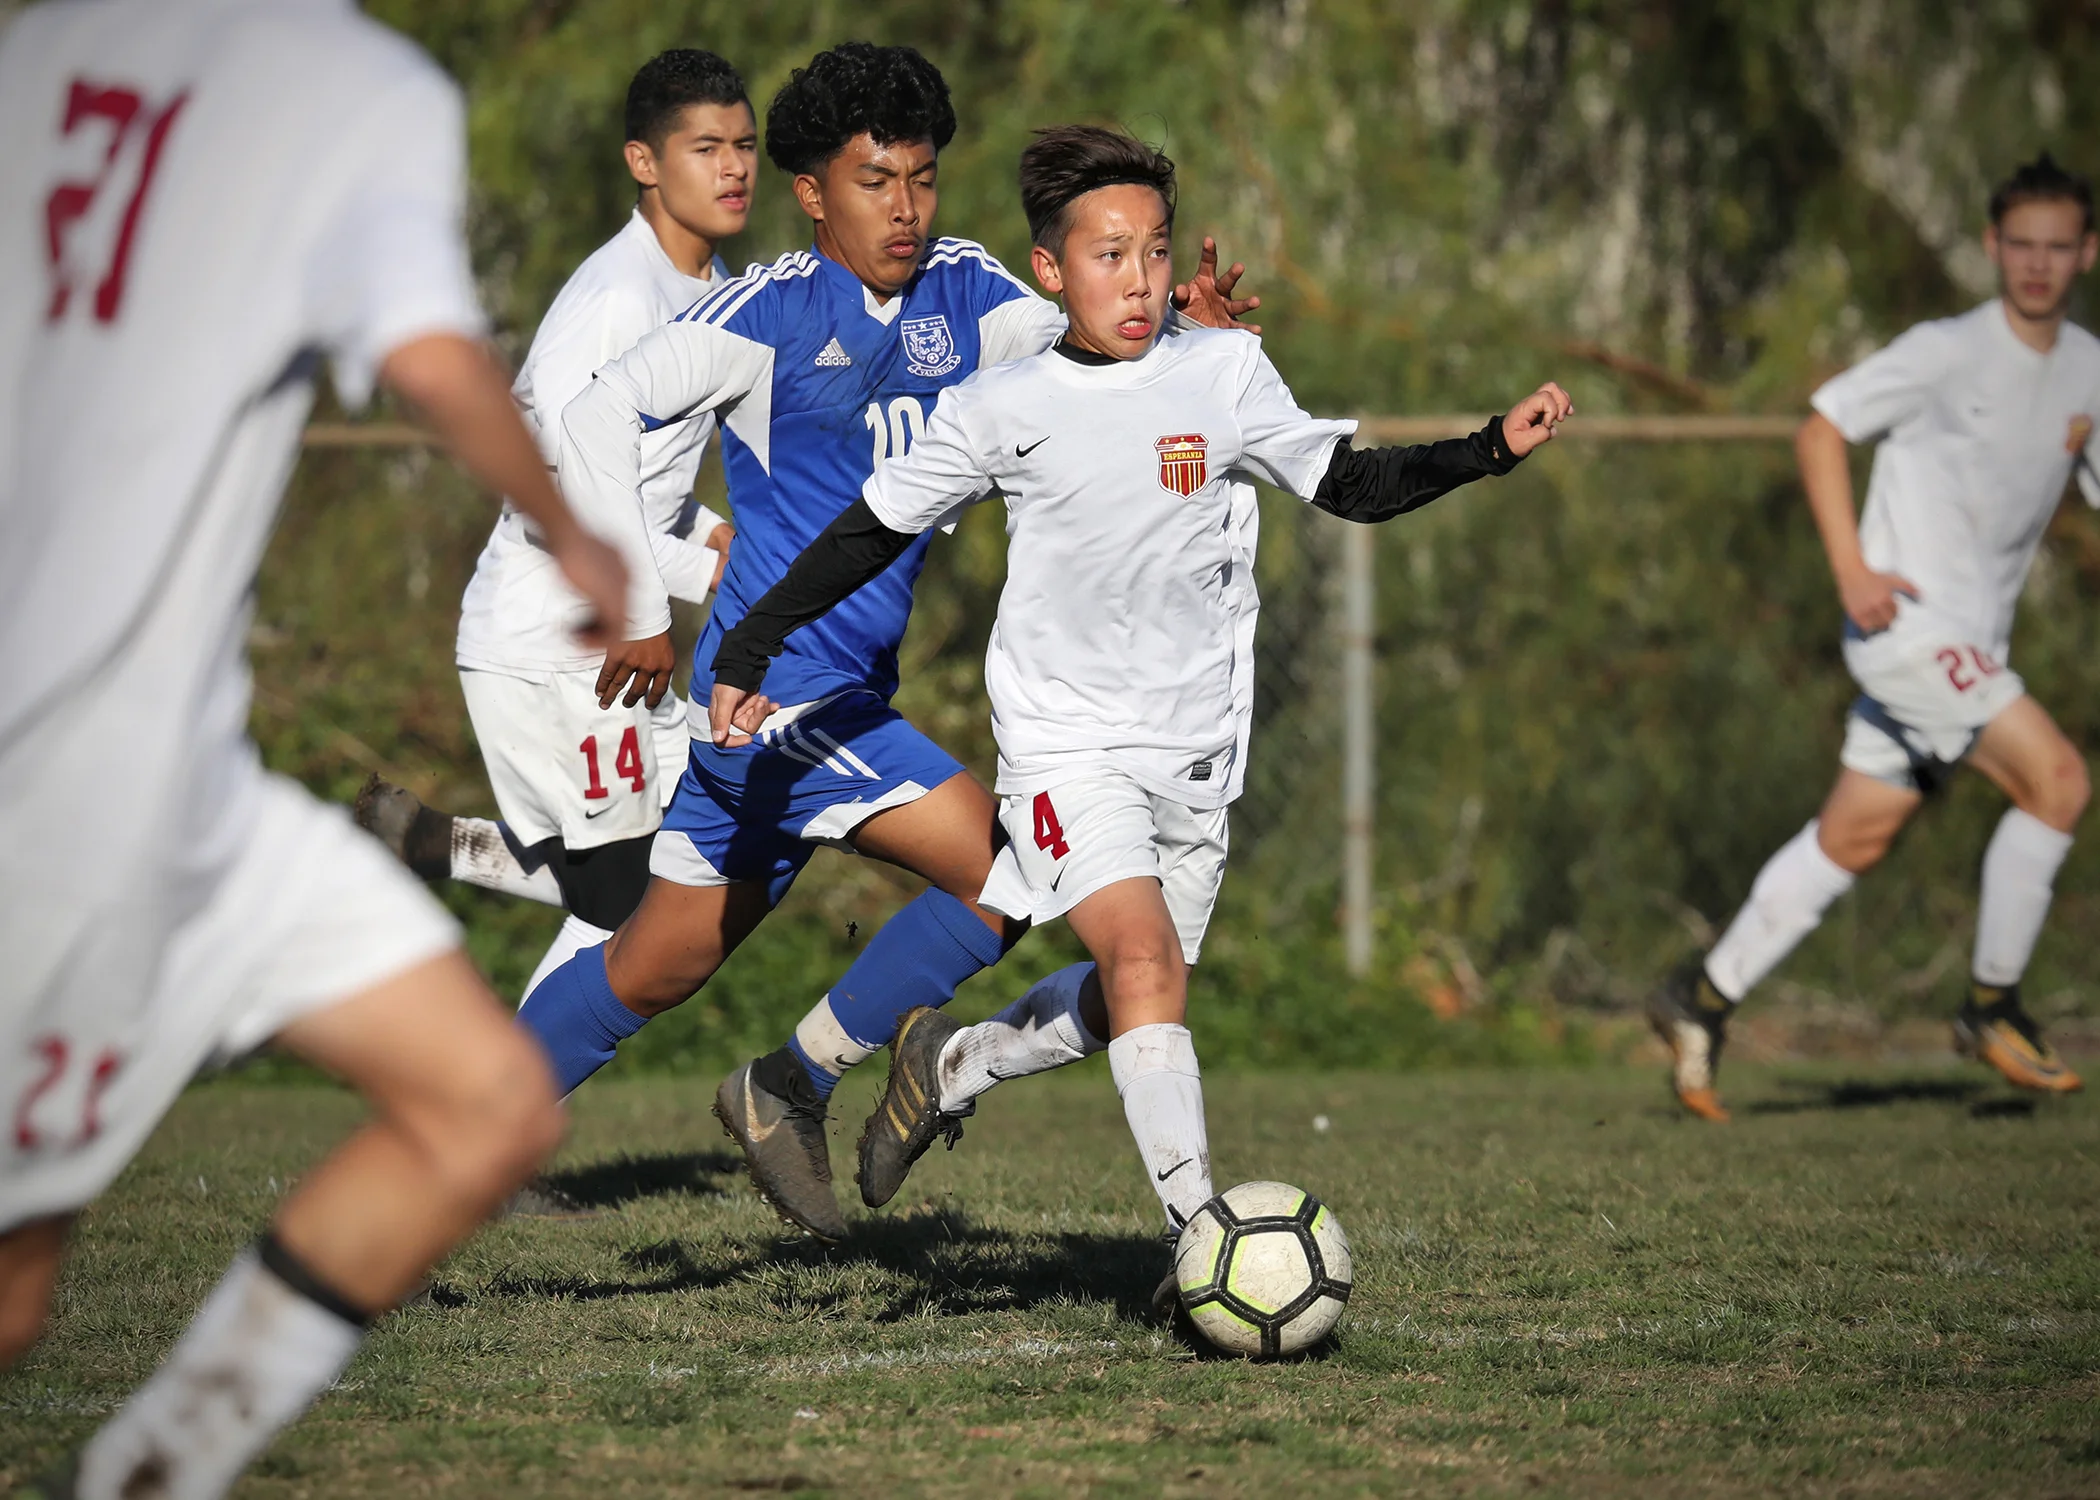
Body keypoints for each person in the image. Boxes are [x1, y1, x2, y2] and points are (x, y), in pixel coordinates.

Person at [704, 125, 1570, 1291]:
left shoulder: (1224, 371)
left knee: (1129, 998)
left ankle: (951, 1066)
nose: (1143, 281)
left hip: (1199, 750)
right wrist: (755, 641)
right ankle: (1200, 1244)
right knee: (1146, 956)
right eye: (1110, 256)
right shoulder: (1001, 403)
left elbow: (1350, 487)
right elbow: (870, 528)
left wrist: (1488, 450)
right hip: (1066, 746)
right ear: (1051, 270)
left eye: (1156, 253)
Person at [0, 2, 627, 1494]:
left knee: (484, 1103)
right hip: (68, 780)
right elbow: (426, 350)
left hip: (192, 777)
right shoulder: (353, 84)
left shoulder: (41, 47)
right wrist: (577, 536)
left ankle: (148, 1473)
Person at [520, 44, 1260, 1244]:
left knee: (649, 971)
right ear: (813, 194)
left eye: (921, 179)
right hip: (773, 694)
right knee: (1011, 866)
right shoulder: (758, 315)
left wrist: (1181, 333)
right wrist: (640, 616)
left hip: (838, 699)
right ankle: (792, 1085)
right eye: (875, 182)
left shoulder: (967, 295)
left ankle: (452, 1125)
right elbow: (594, 417)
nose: (906, 208)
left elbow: (1088, 334)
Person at [1648, 153, 2100, 1122]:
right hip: (1906, 629)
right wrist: (1851, 570)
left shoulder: (2089, 372)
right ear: (1991, 247)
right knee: (2058, 782)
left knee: (1853, 834)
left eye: (2058, 247)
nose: (2037, 264)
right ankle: (1992, 1006)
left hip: (1972, 646)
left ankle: (1699, 997)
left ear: (2087, 254)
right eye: (2020, 244)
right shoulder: (1946, 351)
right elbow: (1822, 428)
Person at [356, 48, 747, 998]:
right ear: (644, 164)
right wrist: (705, 575)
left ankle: (440, 847)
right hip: (550, 644)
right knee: (636, 913)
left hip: (620, 638)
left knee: (696, 876)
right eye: (705, 148)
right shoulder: (616, 300)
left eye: (743, 146)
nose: (734, 167)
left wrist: (716, 543)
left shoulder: (715, 286)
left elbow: (636, 487)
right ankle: (501, 1107)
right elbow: (554, 492)